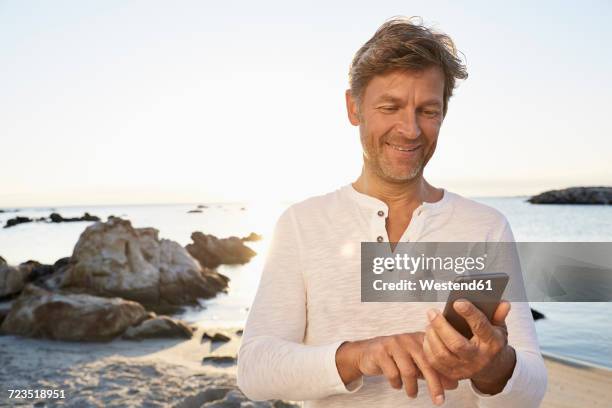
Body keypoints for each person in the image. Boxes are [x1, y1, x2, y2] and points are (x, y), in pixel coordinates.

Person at [237, 16, 548, 407]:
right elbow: (254, 370)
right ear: (354, 107)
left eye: (428, 111)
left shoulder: (486, 227)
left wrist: (492, 366)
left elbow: (531, 390)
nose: (411, 129)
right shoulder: (301, 224)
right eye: (391, 106)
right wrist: (359, 355)